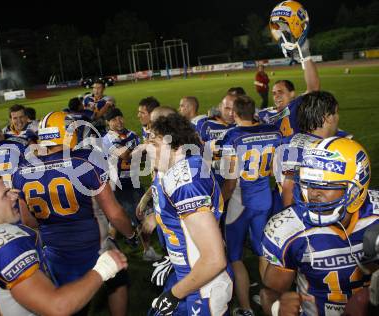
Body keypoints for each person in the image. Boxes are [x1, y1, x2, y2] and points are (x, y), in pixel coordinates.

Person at [0, 171, 128, 315]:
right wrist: (104, 268)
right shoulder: (6, 244)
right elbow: (58, 307)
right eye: (5, 194)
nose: (14, 195)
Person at [13, 111, 137, 316]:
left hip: (54, 250)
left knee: (69, 301)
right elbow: (114, 213)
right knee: (118, 282)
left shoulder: (22, 170)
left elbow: (28, 221)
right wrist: (131, 234)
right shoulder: (86, 160)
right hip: (93, 247)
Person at [260, 137, 378, 316]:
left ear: (355, 190)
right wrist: (277, 307)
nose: (313, 194)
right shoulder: (289, 229)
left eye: (325, 185)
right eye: (308, 184)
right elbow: (269, 291)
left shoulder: (374, 215)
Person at [148, 113, 233, 315]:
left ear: (176, 147)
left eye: (155, 143)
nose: (148, 148)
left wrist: (173, 295)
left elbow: (214, 259)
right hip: (188, 272)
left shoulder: (186, 181)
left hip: (204, 285)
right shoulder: (167, 168)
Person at [218, 95, 282, 316]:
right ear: (253, 112)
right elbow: (279, 170)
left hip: (239, 203)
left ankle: (245, 308)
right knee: (263, 252)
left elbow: (230, 180)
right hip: (264, 199)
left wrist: (217, 206)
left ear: (234, 113)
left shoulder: (232, 136)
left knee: (235, 256)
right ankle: (269, 298)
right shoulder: (274, 133)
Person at [102, 107, 161, 261]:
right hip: (117, 184)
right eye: (113, 119)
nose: (118, 121)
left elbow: (142, 158)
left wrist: (143, 150)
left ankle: (141, 249)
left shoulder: (132, 135)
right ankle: (141, 250)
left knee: (130, 217)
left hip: (133, 181)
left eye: (120, 117)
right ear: (108, 123)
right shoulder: (107, 139)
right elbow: (125, 155)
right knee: (128, 218)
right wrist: (143, 146)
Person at [278, 91, 345, 210]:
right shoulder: (301, 146)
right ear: (327, 118)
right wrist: (292, 221)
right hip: (304, 215)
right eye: (336, 112)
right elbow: (289, 187)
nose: (338, 117)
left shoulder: (297, 140)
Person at [258, 39, 320, 137]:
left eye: (280, 92)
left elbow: (313, 88)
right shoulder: (264, 113)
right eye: (274, 93)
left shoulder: (297, 106)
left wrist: (305, 53)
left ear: (292, 94)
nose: (276, 96)